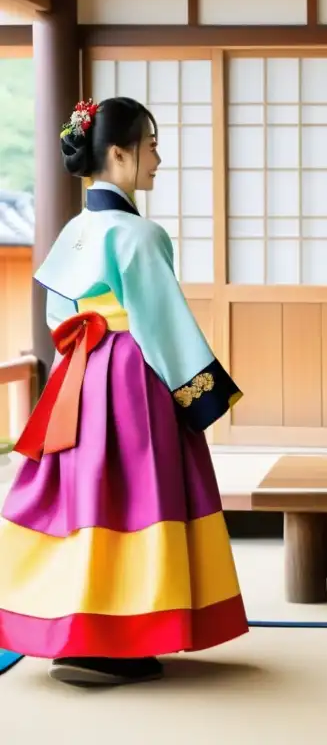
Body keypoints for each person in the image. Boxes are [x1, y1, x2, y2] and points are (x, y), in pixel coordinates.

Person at [0, 97, 248, 685]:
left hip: (79, 377)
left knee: (86, 503)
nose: (158, 158)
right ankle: (125, 638)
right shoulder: (139, 234)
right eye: (151, 144)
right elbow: (161, 323)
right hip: (133, 379)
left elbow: (61, 313)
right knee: (142, 501)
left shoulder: (75, 231)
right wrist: (202, 397)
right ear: (119, 152)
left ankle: (77, 632)